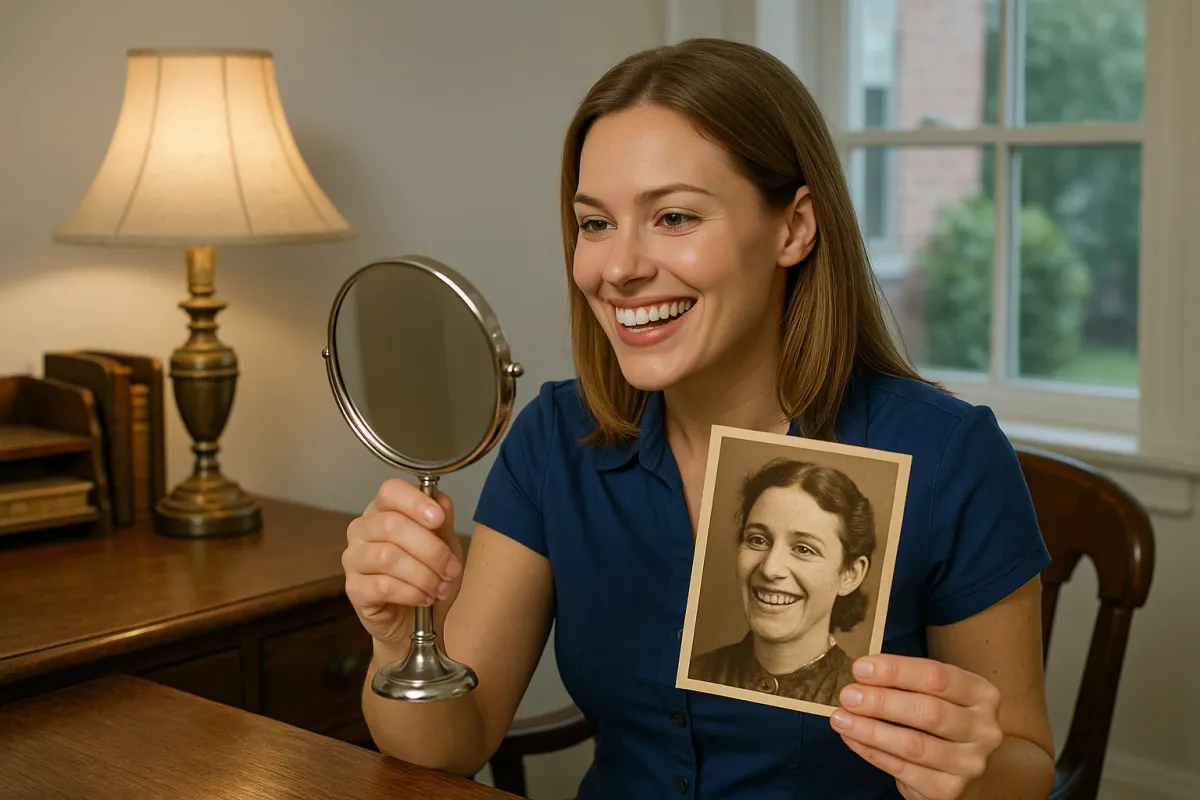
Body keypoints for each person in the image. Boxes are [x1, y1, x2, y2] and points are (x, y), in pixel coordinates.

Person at [341, 38, 1055, 800]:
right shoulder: (556, 441)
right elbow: (457, 741)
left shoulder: (948, 457)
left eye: (674, 216)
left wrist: (972, 776)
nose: (618, 269)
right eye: (595, 224)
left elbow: (1023, 763)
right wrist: (396, 645)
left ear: (794, 228)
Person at [689, 459, 875, 707]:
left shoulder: (862, 699)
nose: (770, 568)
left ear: (850, 573)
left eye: (803, 549)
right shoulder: (695, 672)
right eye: (757, 540)